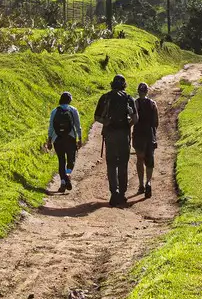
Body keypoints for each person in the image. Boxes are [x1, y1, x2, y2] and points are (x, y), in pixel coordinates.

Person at [91, 74, 135, 206]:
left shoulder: (105, 97)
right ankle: (122, 194)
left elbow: (96, 117)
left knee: (111, 165)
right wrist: (129, 124)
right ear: (124, 85)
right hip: (124, 135)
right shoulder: (128, 98)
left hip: (110, 135)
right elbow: (135, 118)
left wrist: (106, 122)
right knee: (123, 164)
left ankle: (114, 193)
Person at [47, 91, 82, 192]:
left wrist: (49, 140)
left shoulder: (54, 111)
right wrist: (79, 138)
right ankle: (67, 175)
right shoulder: (73, 110)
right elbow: (77, 126)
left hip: (57, 139)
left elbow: (51, 127)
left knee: (61, 160)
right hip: (70, 138)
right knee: (71, 160)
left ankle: (63, 181)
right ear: (69, 100)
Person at [130, 80, 158, 199]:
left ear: (138, 91)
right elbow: (156, 122)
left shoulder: (135, 103)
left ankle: (141, 184)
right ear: (147, 91)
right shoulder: (153, 104)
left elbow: (133, 119)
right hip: (149, 135)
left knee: (140, 159)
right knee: (150, 161)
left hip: (138, 135)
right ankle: (149, 182)